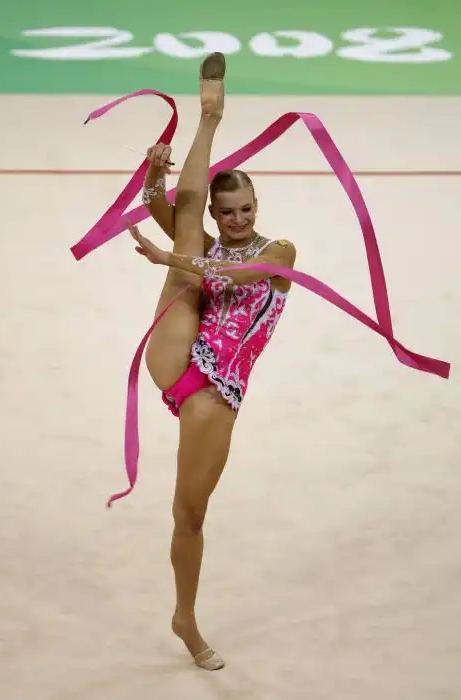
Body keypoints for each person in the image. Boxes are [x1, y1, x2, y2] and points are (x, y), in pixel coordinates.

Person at [126, 52, 297, 671]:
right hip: (177, 350)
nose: (237, 219)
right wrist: (154, 172)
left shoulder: (280, 252)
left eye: (245, 208)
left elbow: (234, 273)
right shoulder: (203, 239)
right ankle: (209, 115)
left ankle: (184, 618)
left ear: (257, 204)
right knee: (186, 234)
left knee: (190, 514)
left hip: (215, 394)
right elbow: (164, 211)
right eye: (227, 211)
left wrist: (170, 258)